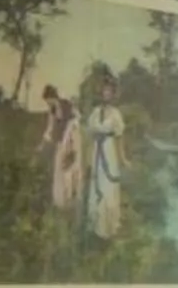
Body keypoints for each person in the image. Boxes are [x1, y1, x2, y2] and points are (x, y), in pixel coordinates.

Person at [79, 69, 127, 242]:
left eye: (110, 91)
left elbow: (119, 137)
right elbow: (89, 136)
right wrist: (86, 157)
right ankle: (96, 226)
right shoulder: (95, 112)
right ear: (101, 93)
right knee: (96, 185)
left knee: (109, 187)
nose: (106, 94)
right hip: (97, 153)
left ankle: (109, 227)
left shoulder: (115, 114)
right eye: (104, 91)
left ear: (113, 94)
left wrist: (122, 158)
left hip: (109, 151)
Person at [39, 85, 82, 219]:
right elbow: (50, 128)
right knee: (60, 170)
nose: (48, 103)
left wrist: (68, 141)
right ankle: (61, 202)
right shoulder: (52, 110)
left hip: (71, 141)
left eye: (49, 100)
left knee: (70, 168)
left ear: (53, 97)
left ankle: (72, 200)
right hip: (61, 143)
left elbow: (74, 122)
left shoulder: (67, 105)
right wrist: (43, 143)